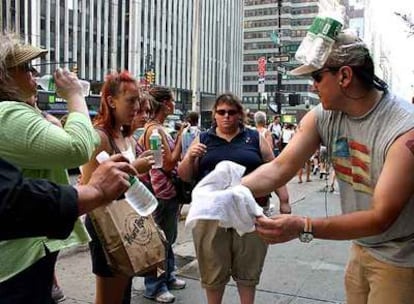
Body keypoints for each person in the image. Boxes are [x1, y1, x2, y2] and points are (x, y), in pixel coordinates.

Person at [242, 31, 414, 304]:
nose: (312, 86)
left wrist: (304, 225)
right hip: (361, 245)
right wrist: (227, 190)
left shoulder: (404, 129)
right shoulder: (323, 115)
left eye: (317, 77)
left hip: (402, 256)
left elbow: (382, 216)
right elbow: (279, 168)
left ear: (345, 76)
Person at [0, 31, 101, 304]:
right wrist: (75, 95)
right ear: (4, 76)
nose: (34, 74)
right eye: (26, 68)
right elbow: (78, 148)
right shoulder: (7, 112)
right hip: (17, 259)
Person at [178, 93, 281, 304]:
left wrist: (285, 201)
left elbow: (275, 169)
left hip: (250, 210)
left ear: (239, 115)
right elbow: (184, 175)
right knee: (213, 269)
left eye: (231, 112)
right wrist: (190, 156)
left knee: (248, 270)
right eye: (221, 112)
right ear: (214, 115)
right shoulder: (203, 138)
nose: (226, 117)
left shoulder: (253, 137)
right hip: (212, 214)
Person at [80, 71, 154, 304]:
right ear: (111, 101)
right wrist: (134, 168)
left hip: (127, 218)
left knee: (123, 291)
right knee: (109, 296)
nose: (136, 108)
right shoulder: (99, 137)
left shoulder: (126, 136)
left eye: (138, 101)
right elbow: (93, 191)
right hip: (107, 225)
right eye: (130, 101)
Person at [0, 155, 136, 241]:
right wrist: (95, 190)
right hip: (22, 249)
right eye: (133, 106)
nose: (138, 109)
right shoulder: (11, 114)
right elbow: (76, 149)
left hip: (38, 235)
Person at [141, 85, 186, 303]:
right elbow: (167, 164)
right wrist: (180, 137)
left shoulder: (156, 128)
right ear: (166, 104)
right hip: (161, 192)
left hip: (166, 191)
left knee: (168, 238)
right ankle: (155, 286)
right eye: (173, 100)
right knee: (160, 241)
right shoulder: (155, 131)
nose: (175, 104)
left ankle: (168, 276)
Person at [253, 111, 291, 214]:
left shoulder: (252, 132)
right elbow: (269, 148)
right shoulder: (266, 133)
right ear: (265, 121)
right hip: (264, 165)